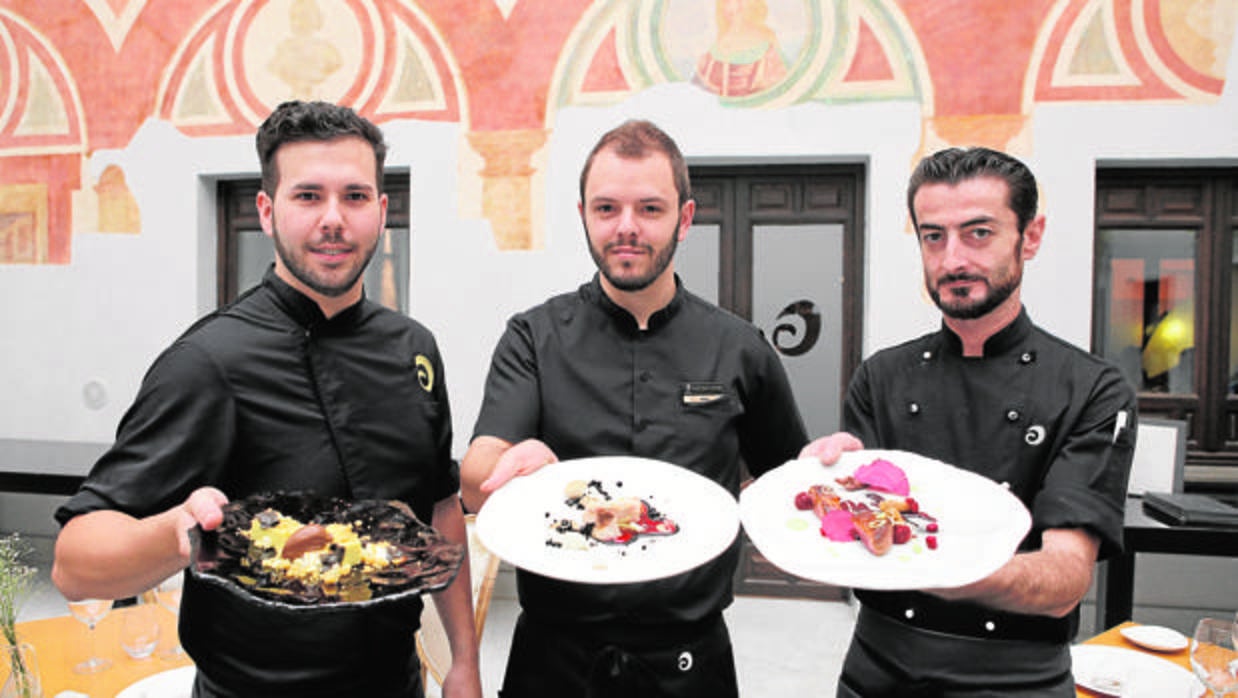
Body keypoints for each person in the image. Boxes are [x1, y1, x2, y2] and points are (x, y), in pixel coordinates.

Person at [51, 100, 482, 698]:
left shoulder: (414, 348)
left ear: (381, 212)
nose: (334, 219)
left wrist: (463, 659)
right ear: (266, 210)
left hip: (396, 684)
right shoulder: (208, 362)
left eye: (355, 197)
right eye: (308, 196)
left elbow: (439, 508)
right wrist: (178, 529)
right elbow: (73, 564)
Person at [460, 119, 808, 697]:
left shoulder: (740, 347)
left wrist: (828, 477)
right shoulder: (534, 337)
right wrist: (506, 467)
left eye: (649, 208)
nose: (627, 228)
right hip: (554, 659)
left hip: (690, 659)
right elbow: (476, 479)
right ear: (584, 216)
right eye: (607, 209)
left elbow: (787, 484)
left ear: (685, 217)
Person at [800, 146, 1137, 697]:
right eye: (934, 236)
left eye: (978, 233)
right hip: (877, 668)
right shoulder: (880, 377)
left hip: (1016, 678)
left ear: (1030, 236)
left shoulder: (1092, 389)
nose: (953, 259)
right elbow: (864, 536)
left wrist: (939, 569)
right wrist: (827, 492)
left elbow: (1064, 581)